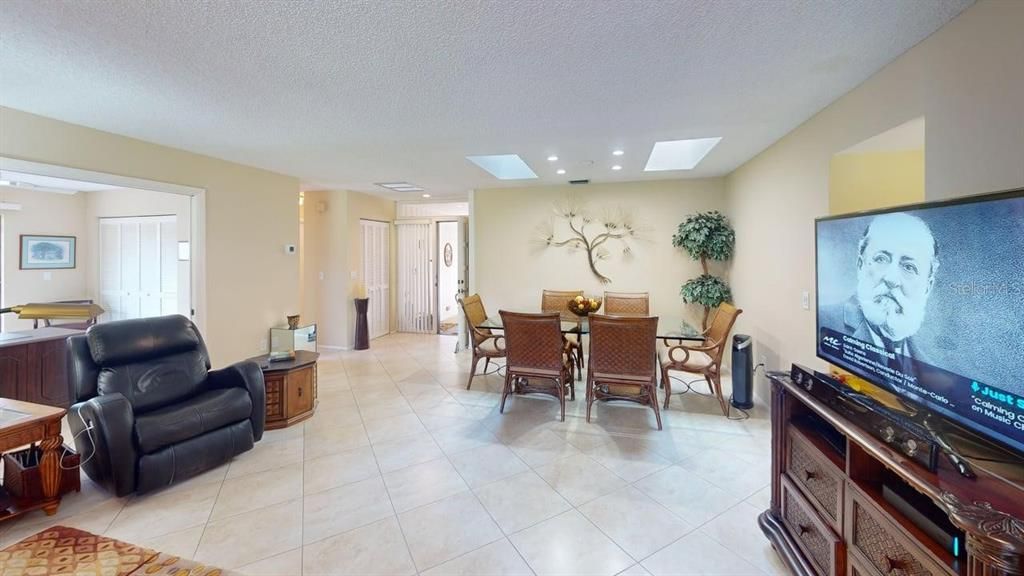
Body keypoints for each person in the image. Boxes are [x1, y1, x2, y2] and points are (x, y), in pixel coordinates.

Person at [820, 212, 939, 365]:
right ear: (860, 265)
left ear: (927, 287)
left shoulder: (930, 368)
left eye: (909, 267)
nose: (891, 279)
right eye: (881, 259)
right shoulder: (824, 323)